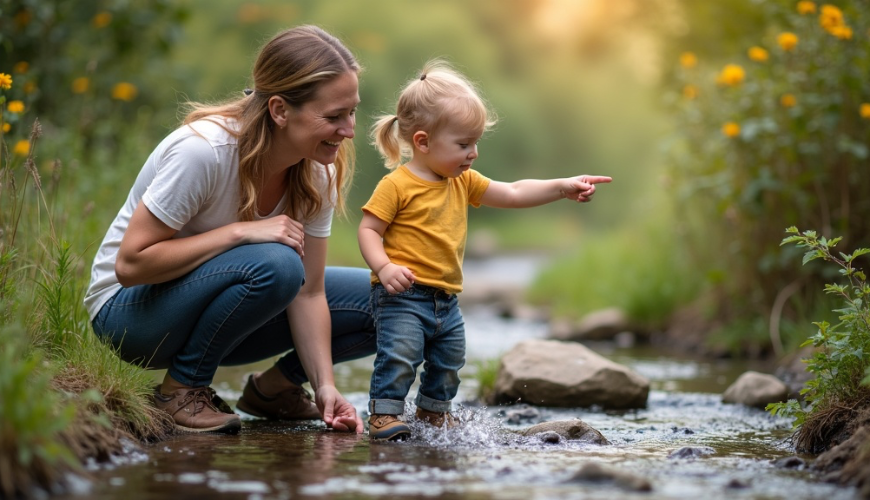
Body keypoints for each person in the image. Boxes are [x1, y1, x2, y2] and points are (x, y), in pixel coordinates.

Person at [84, 25, 376, 435]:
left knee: (388, 300)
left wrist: (324, 385)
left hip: (220, 313)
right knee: (278, 263)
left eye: (352, 111)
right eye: (333, 116)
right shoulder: (203, 152)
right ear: (279, 110)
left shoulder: (317, 171)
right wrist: (238, 233)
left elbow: (309, 293)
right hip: (129, 315)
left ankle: (275, 391)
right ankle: (179, 392)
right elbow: (130, 265)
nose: (348, 130)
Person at [358, 60, 612, 441]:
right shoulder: (397, 185)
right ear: (423, 142)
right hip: (402, 295)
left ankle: (432, 413)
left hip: (446, 299)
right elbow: (368, 230)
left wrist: (561, 186)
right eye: (463, 144)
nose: (473, 153)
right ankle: (384, 414)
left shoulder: (463, 182)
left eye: (475, 143)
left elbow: (511, 192)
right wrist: (384, 266)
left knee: (450, 360)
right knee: (400, 355)